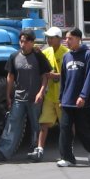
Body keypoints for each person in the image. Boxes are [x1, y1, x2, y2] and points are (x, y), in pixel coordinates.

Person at [0, 29, 52, 161]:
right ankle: (4, 151)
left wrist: (41, 93)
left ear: (32, 42)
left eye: (26, 41)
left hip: (34, 98)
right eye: (21, 41)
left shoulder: (38, 56)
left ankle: (36, 150)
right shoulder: (14, 57)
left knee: (36, 125)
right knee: (12, 123)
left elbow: (45, 77)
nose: (23, 44)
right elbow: (10, 76)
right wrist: (8, 95)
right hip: (19, 97)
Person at [56, 28, 90, 167]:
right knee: (65, 128)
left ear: (78, 39)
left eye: (70, 38)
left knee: (82, 129)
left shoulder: (87, 55)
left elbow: (89, 77)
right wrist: (61, 98)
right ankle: (67, 158)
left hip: (81, 101)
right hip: (67, 99)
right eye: (66, 38)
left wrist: (83, 96)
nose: (66, 41)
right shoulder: (66, 57)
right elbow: (63, 79)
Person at [28, 27, 68, 162]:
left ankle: (68, 149)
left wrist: (55, 75)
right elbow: (44, 72)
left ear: (59, 39)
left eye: (52, 38)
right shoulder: (46, 52)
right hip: (50, 95)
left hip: (64, 96)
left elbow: (70, 75)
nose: (49, 40)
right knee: (44, 123)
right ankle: (39, 149)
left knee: (66, 125)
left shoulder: (67, 54)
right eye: (48, 38)